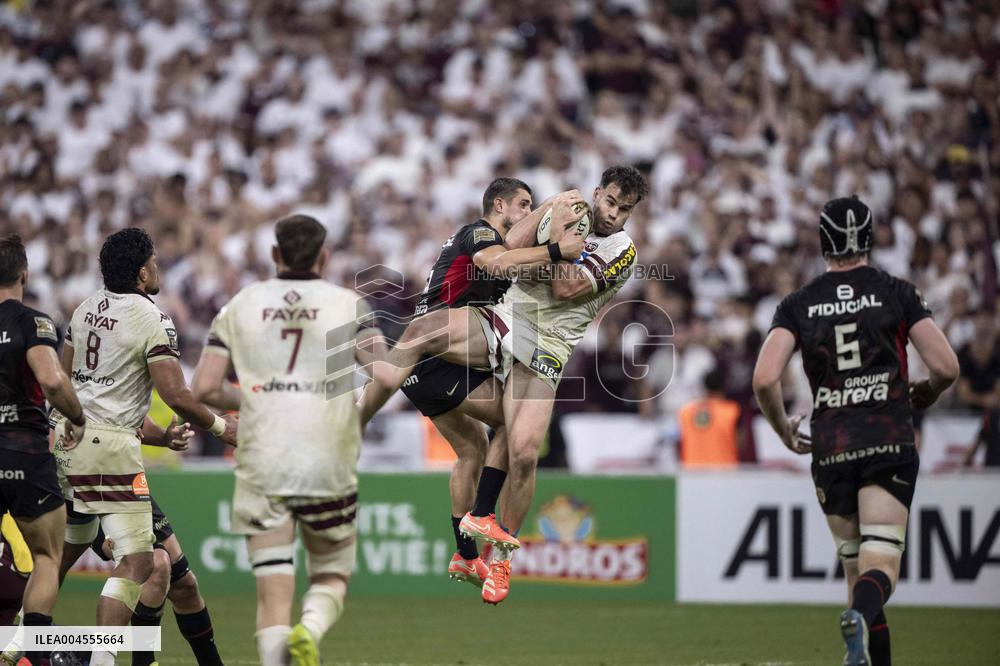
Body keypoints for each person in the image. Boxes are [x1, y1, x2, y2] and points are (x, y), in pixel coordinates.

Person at [365, 165, 648, 604]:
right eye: (610, 202)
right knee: (425, 329)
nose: (613, 214)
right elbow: (507, 249)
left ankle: (500, 559)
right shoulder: (568, 209)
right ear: (597, 193)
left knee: (524, 453)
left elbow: (567, 290)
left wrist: (559, 246)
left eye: (624, 209)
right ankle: (359, 411)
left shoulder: (623, 250)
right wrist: (551, 209)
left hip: (548, 346)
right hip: (506, 318)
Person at [753, 197, 959, 666]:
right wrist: (925, 391)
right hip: (887, 437)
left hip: (832, 445)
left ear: (823, 241)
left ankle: (861, 640)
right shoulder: (896, 292)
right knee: (881, 566)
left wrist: (784, 428)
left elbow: (764, 379)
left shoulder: (798, 304)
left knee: (856, 573)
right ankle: (858, 620)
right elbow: (947, 366)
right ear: (870, 237)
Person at [191, 214, 391, 666]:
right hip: (327, 457)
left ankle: (284, 643)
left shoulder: (241, 304)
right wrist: (359, 415)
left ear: (274, 254)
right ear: (325, 256)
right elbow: (387, 375)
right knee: (331, 576)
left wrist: (256, 396)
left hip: (265, 458)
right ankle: (312, 628)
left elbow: (203, 388)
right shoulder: (348, 305)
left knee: (271, 593)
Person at [52, 228, 238, 666]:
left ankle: (20, 638)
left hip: (71, 447)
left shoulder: (83, 310)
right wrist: (219, 426)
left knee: (172, 574)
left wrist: (160, 436)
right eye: (154, 263)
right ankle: (96, 658)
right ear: (141, 272)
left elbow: (72, 388)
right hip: (109, 455)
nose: (158, 270)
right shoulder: (151, 318)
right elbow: (176, 395)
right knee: (142, 563)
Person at [0, 234, 86, 666]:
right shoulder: (33, 322)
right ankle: (34, 654)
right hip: (24, 454)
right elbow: (52, 381)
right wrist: (77, 416)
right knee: (47, 556)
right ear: (24, 274)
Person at [677, 367, 743, 467]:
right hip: (725, 474)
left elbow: (680, 442)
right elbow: (740, 444)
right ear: (723, 386)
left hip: (691, 474)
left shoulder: (685, 411)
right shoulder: (732, 411)